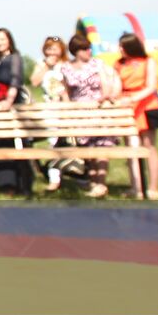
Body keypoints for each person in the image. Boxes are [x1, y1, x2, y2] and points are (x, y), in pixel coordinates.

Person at [59, 33, 118, 198]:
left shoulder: (97, 64)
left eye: (89, 48)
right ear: (76, 51)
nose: (88, 51)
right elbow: (67, 91)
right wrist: (68, 108)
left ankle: (101, 182)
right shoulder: (66, 68)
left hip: (98, 108)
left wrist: (103, 98)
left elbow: (106, 84)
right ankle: (92, 180)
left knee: (102, 147)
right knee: (88, 150)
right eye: (85, 49)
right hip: (80, 111)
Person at [0, 27, 32, 195]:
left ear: (9, 40)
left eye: (2, 39)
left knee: (14, 143)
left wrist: (9, 100)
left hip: (9, 103)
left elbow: (15, 80)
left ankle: (20, 184)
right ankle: (3, 183)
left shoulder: (15, 58)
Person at [113, 32, 158, 199]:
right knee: (131, 148)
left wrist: (133, 98)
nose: (120, 49)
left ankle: (153, 187)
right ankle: (136, 187)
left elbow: (151, 86)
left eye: (122, 46)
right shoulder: (119, 64)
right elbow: (116, 84)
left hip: (146, 106)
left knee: (149, 147)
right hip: (126, 108)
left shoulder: (148, 62)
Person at [30, 35, 74, 191]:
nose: (52, 51)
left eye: (55, 48)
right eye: (48, 48)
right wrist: (46, 67)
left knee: (70, 142)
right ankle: (54, 177)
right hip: (50, 108)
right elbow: (34, 82)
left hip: (66, 107)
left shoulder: (67, 64)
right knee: (54, 141)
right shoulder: (42, 64)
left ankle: (76, 174)